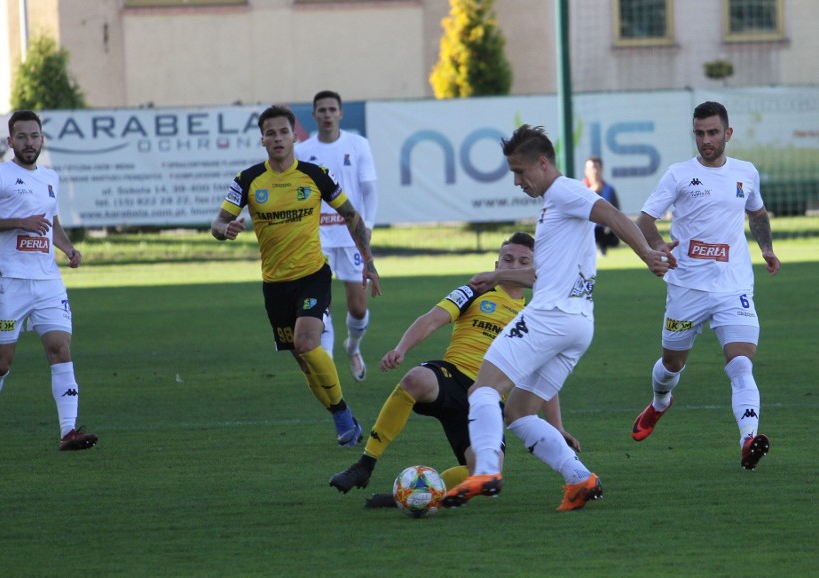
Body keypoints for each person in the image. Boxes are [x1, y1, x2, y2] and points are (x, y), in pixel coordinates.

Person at [442, 125, 671, 512]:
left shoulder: (565, 191)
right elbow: (540, 277)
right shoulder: (555, 206)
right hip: (577, 324)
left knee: (481, 389)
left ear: (543, 163)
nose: (517, 181)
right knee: (518, 412)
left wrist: (647, 253)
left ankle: (484, 469)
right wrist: (497, 276)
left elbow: (613, 215)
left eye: (520, 171)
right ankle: (579, 478)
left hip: (550, 317)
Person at [329, 232, 582, 506]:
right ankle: (365, 464)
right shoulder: (475, 291)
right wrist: (401, 349)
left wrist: (557, 428)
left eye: (524, 262)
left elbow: (543, 380)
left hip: (487, 400)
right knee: (416, 379)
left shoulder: (537, 316)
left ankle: (417, 492)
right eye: (508, 259)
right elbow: (432, 319)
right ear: (497, 266)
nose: (514, 266)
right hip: (453, 377)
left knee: (487, 473)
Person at [211, 105, 381, 447]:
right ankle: (341, 415)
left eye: (283, 132)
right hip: (275, 285)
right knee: (305, 364)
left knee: (308, 343)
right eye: (270, 133)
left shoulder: (315, 174)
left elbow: (351, 214)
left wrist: (368, 260)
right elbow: (217, 223)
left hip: (312, 275)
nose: (277, 138)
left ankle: (344, 417)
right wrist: (224, 229)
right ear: (263, 139)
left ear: (294, 136)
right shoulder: (247, 180)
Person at [630, 101, 780, 470]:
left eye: (713, 132)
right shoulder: (679, 175)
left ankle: (748, 439)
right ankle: (660, 401)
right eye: (699, 133)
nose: (706, 140)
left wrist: (766, 249)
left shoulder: (746, 172)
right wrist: (657, 246)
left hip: (734, 286)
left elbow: (756, 212)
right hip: (687, 289)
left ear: (728, 133)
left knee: (741, 363)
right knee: (671, 363)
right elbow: (645, 218)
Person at [0, 110, 98, 453]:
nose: (29, 143)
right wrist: (16, 222)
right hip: (8, 282)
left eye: (34, 136)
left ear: (42, 139)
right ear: (10, 142)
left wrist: (68, 249)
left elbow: (50, 222)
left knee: (60, 348)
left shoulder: (50, 178)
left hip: (46, 282)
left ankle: (68, 431)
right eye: (22, 137)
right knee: (0, 364)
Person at [295, 90, 379, 382]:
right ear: (314, 114)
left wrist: (367, 225)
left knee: (358, 305)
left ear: (340, 114)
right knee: (323, 301)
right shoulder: (303, 152)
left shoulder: (357, 145)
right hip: (317, 237)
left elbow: (369, 189)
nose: (327, 115)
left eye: (332, 110)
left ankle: (352, 347)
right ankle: (327, 363)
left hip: (351, 235)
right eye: (322, 110)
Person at [583, 156, 621, 255]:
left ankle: (602, 247)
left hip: (604, 228)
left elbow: (617, 212)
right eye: (591, 168)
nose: (594, 171)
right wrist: (591, 191)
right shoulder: (580, 189)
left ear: (601, 169)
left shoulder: (609, 189)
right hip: (585, 229)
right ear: (586, 171)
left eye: (597, 167)